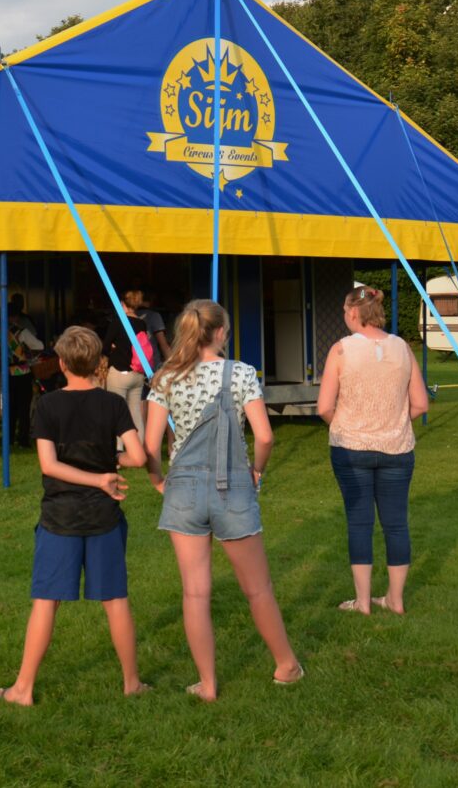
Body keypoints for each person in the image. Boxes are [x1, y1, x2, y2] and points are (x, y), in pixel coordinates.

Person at [144, 299, 302, 698]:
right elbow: (265, 436)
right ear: (219, 333)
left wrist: (157, 479)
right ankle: (286, 665)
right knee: (258, 588)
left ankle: (208, 683)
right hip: (233, 486)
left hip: (183, 489)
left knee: (195, 593)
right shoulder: (242, 373)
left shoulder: (165, 378)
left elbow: (150, 445)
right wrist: (257, 471)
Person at [0, 326, 150, 706]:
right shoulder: (112, 405)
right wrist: (106, 467)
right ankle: (131, 683)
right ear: (98, 363)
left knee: (46, 601)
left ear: (62, 363)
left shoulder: (48, 405)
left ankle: (23, 689)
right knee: (115, 600)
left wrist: (101, 470)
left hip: (60, 518)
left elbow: (49, 465)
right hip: (102, 516)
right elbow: (139, 456)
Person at [315, 285, 429, 614]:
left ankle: (363, 601)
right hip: (397, 448)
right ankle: (396, 599)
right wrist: (392, 422)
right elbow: (420, 404)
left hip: (351, 448)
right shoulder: (403, 348)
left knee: (359, 523)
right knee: (396, 524)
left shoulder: (341, 350)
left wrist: (345, 425)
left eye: (344, 311)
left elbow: (324, 407)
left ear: (353, 313)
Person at [102, 288, 155, 439]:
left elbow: (105, 347)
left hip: (119, 372)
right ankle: (140, 445)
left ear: (122, 304)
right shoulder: (141, 323)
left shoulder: (118, 322)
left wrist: (114, 348)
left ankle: (119, 447)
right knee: (136, 412)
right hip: (137, 373)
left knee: (116, 411)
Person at [6, 294, 45, 448]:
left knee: (9, 406)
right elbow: (39, 346)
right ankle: (23, 439)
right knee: (23, 406)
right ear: (16, 316)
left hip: (5, 372)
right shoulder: (21, 332)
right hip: (22, 371)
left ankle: (8, 438)